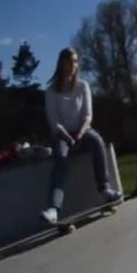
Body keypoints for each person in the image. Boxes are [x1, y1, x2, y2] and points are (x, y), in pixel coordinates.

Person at [39, 47, 121, 224]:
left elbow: (88, 115)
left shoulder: (83, 86)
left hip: (82, 130)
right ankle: (53, 209)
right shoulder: (51, 92)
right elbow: (54, 122)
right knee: (61, 157)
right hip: (62, 134)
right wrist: (68, 138)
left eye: (75, 61)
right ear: (61, 63)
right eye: (68, 61)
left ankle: (105, 189)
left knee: (97, 141)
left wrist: (82, 132)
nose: (72, 65)